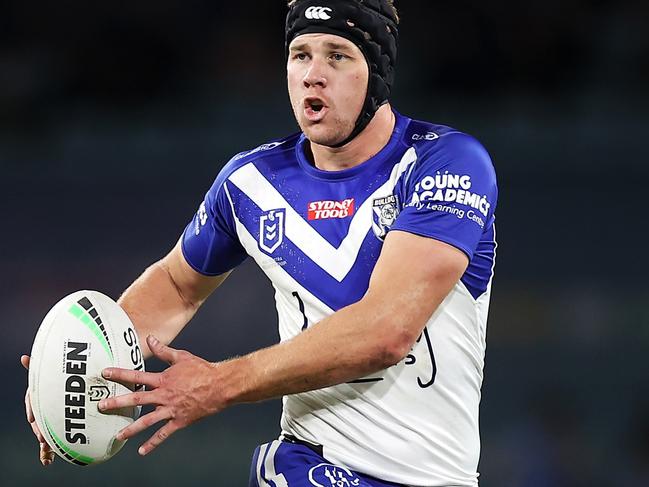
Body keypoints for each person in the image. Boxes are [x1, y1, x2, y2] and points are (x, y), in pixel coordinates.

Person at [22, 0, 498, 485]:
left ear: (376, 72)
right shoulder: (252, 182)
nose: (313, 74)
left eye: (337, 55)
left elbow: (388, 330)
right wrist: (75, 375)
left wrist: (218, 384)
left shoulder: (446, 163)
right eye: (300, 54)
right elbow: (178, 284)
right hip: (314, 466)